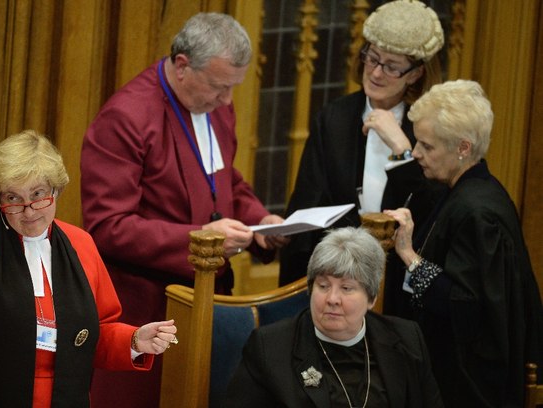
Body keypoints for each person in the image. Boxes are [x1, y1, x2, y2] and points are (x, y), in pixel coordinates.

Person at [80, 12, 288, 408]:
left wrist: (260, 219)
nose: (227, 101)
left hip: (209, 299)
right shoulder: (125, 118)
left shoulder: (215, 107)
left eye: (232, 88)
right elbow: (108, 226)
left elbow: (224, 182)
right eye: (219, 86)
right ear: (182, 65)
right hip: (145, 307)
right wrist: (200, 240)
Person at [0, 130, 178, 407]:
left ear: (56, 190)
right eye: (13, 198)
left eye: (38, 194)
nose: (29, 211)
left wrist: (134, 341)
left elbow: (94, 334)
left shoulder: (81, 245)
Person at [384, 79, 543, 407]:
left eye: (427, 147)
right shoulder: (460, 191)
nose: (416, 153)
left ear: (463, 148)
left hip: (467, 387)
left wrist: (408, 255)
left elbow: (463, 305)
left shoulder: (478, 213)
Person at [279, 0, 445, 297]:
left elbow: (432, 214)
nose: (377, 73)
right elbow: (308, 207)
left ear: (416, 74)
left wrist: (401, 149)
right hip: (337, 279)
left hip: (398, 285)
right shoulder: (334, 118)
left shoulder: (430, 129)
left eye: (392, 66)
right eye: (372, 58)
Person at [225, 227, 443, 407]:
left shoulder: (407, 339)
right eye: (323, 285)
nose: (332, 298)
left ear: (371, 298)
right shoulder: (270, 347)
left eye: (347, 288)